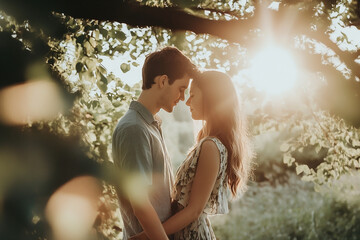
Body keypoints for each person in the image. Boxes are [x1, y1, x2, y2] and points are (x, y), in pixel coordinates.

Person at [131, 70, 253, 240]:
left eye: (193, 95)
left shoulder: (211, 146)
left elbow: (194, 210)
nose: (187, 102)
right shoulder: (208, 142)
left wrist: (144, 236)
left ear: (211, 98)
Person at [112, 46, 197, 240]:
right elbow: (140, 203)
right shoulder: (134, 128)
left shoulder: (150, 124)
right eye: (181, 89)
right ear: (163, 81)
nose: (182, 98)